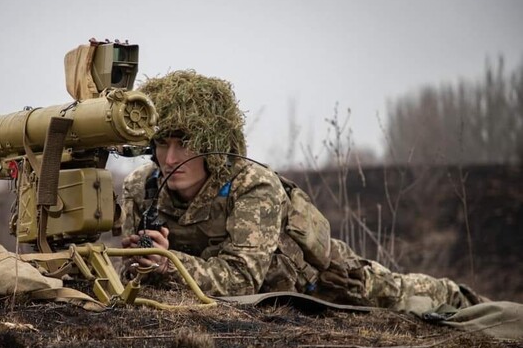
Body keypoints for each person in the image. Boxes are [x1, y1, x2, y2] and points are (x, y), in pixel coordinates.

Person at [120, 70, 482, 311]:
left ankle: (465, 298)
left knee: (408, 297)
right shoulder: (141, 186)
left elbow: (242, 280)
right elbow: (129, 276)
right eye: (161, 143)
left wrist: (169, 262)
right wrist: (139, 265)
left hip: (323, 280)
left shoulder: (252, 185)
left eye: (184, 144)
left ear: (214, 143)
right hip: (249, 291)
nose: (169, 158)